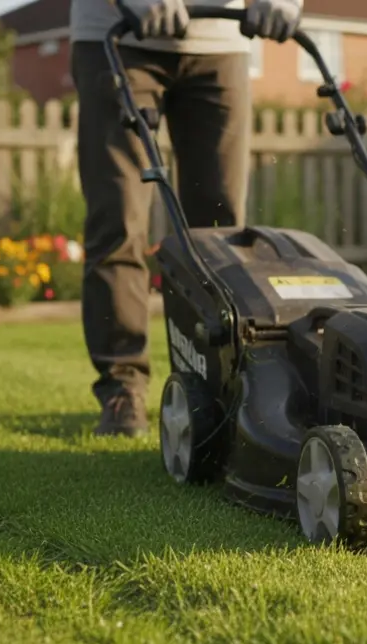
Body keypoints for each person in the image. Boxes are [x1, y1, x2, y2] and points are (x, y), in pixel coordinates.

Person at [71, 0, 303, 437]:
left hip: (221, 40)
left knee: (221, 231)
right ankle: (122, 386)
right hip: (120, 34)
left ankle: (223, 382)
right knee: (119, 218)